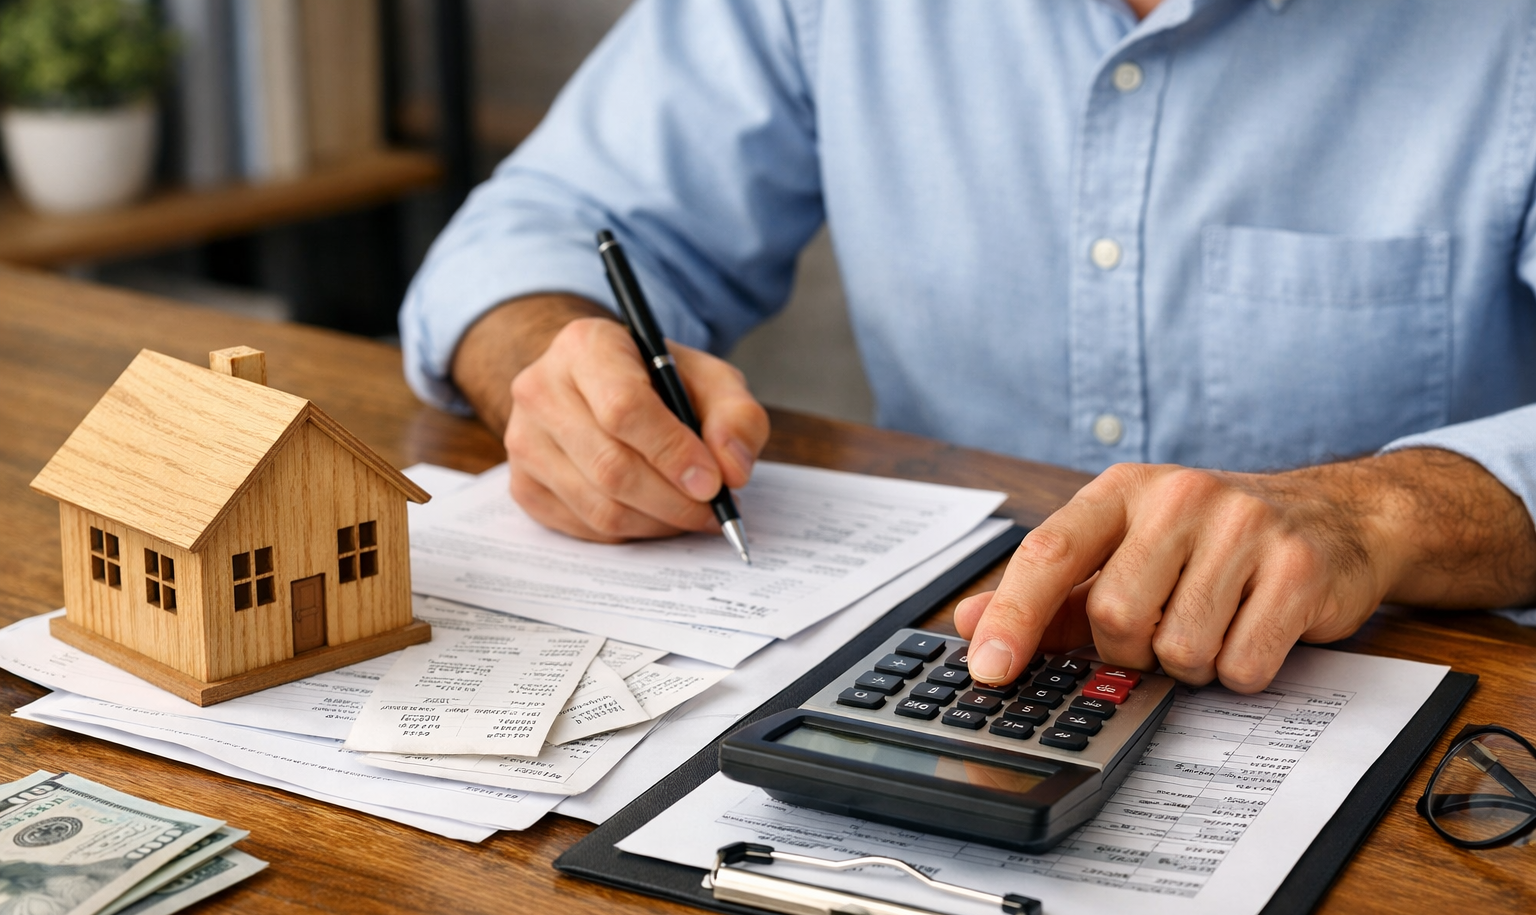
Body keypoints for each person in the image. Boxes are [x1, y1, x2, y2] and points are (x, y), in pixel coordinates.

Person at [400, 0, 1536, 694]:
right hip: (942, 677)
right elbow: (545, 220)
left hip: (1414, 740)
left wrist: (1380, 514)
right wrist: (551, 357)